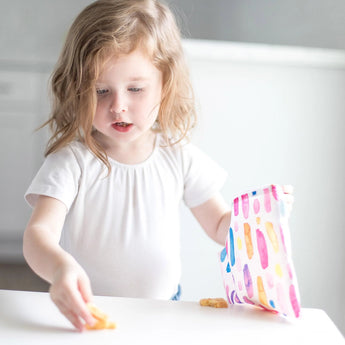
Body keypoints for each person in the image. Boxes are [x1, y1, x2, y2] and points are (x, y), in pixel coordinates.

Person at [23, 0, 292, 332]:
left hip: (165, 311)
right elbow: (39, 235)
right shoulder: (71, 162)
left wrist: (265, 216)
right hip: (90, 313)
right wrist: (61, 269)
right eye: (101, 91)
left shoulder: (178, 156)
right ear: (79, 89)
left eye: (135, 89)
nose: (118, 106)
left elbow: (221, 225)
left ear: (165, 85)